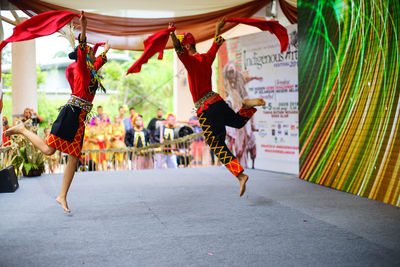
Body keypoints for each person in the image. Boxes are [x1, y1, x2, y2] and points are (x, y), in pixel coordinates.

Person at [5, 11, 110, 212]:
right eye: (90, 51)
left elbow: (99, 61)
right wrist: (84, 27)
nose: (92, 53)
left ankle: (62, 195)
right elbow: (82, 48)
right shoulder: (82, 67)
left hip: (80, 117)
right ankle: (23, 130)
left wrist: (105, 51)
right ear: (84, 54)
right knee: (48, 150)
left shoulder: (93, 71)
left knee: (74, 156)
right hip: (71, 113)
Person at [169, 19, 265, 197]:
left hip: (206, 109)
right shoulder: (206, 57)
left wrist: (172, 34)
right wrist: (217, 28)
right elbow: (216, 44)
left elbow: (178, 50)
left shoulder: (191, 62)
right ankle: (247, 106)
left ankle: (240, 175)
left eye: (184, 47)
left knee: (216, 144)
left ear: (187, 47)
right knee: (236, 122)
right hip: (217, 101)